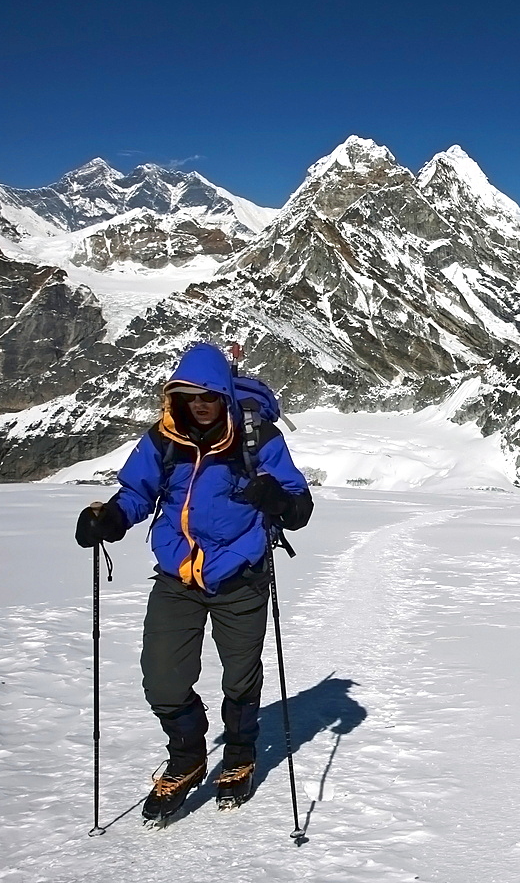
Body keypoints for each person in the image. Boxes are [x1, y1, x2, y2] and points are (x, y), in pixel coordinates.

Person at [75, 342, 313, 821]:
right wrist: (111, 518)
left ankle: (240, 754)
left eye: (207, 395)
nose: (199, 404)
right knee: (162, 678)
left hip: (241, 576)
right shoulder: (164, 440)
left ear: (223, 395)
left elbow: (299, 505)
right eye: (188, 396)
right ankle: (188, 757)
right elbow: (136, 492)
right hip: (178, 575)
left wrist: (278, 501)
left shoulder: (258, 439)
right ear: (174, 399)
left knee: (240, 676)